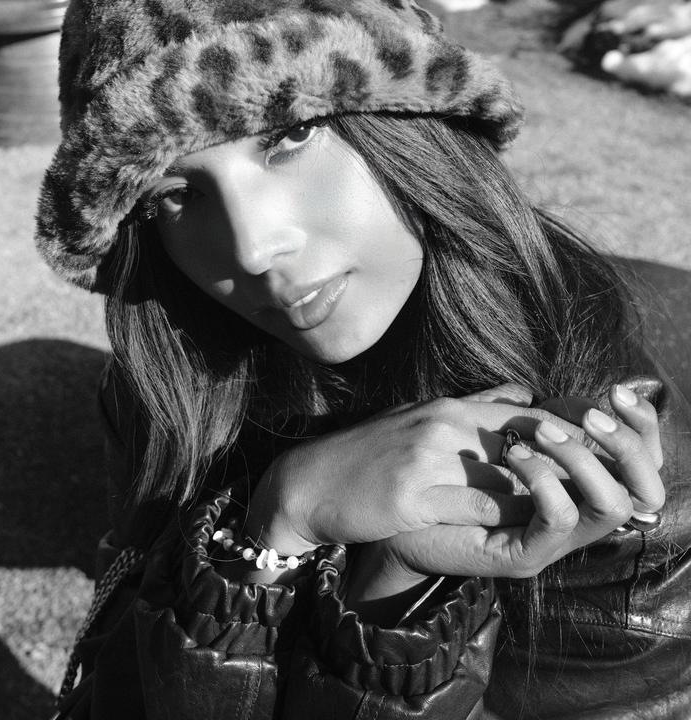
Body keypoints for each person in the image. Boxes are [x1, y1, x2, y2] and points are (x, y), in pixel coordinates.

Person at [34, 1, 690, 718]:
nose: (253, 249)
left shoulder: (615, 467)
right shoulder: (167, 390)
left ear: (415, 125)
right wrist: (274, 526)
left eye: (291, 134)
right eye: (174, 194)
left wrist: (392, 589)